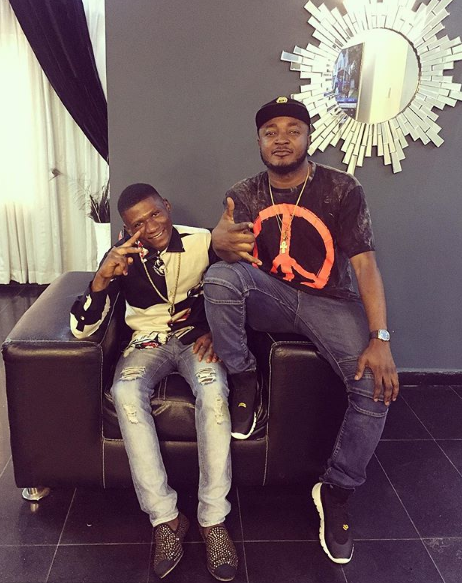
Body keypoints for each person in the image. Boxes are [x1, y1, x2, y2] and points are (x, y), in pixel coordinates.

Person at [203, 97, 399, 564]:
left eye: (293, 129)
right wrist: (217, 241)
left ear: (309, 137)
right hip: (268, 295)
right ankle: (244, 378)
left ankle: (336, 490)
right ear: (258, 141)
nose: (282, 139)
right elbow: (228, 261)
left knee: (375, 388)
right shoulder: (243, 193)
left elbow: (365, 265)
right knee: (219, 277)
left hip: (329, 301)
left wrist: (380, 337)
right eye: (271, 131)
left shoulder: (341, 189)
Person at [70, 183, 238, 581]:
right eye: (138, 224)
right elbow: (81, 329)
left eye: (155, 214)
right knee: (125, 392)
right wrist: (101, 278)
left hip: (197, 340)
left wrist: (219, 330)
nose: (151, 227)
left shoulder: (203, 242)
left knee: (214, 391)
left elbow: (237, 289)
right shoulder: (123, 258)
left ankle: (213, 520)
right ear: (127, 229)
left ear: (167, 206)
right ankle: (166, 519)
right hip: (146, 342)